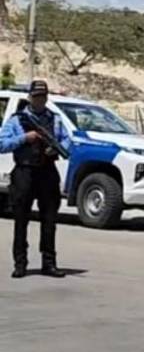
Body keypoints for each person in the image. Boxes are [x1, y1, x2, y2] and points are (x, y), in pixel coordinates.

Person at [0, 80, 72, 278]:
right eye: (36, 96)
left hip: (47, 172)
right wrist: (25, 138)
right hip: (24, 172)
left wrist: (54, 148)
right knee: (21, 220)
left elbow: (67, 141)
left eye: (43, 96)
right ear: (30, 97)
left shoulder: (54, 119)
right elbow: (2, 144)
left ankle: (49, 263)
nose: (40, 100)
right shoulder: (17, 120)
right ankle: (20, 263)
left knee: (49, 221)